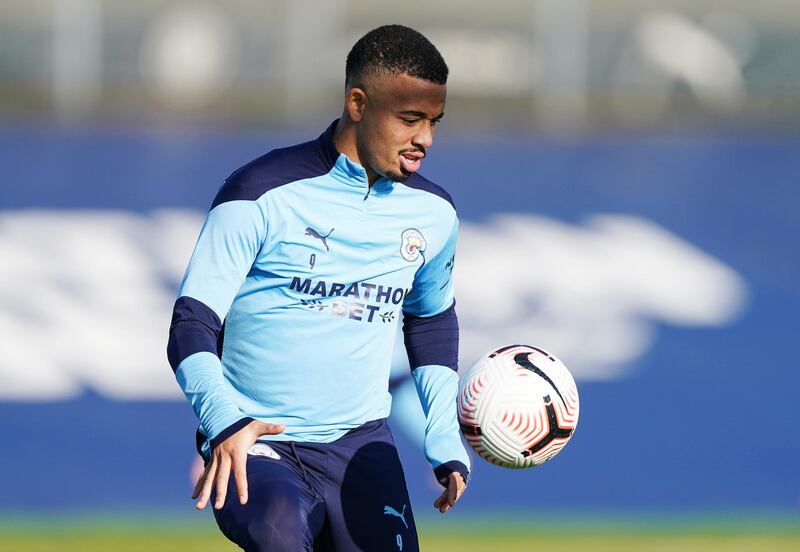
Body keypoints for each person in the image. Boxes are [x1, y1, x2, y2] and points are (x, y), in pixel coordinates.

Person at [167, 24, 469, 551]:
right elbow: (191, 324)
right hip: (260, 447)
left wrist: (443, 439)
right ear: (358, 102)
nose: (425, 139)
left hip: (362, 447)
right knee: (278, 530)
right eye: (409, 119)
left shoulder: (435, 214)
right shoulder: (258, 193)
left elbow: (431, 322)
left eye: (434, 122)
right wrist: (225, 421)